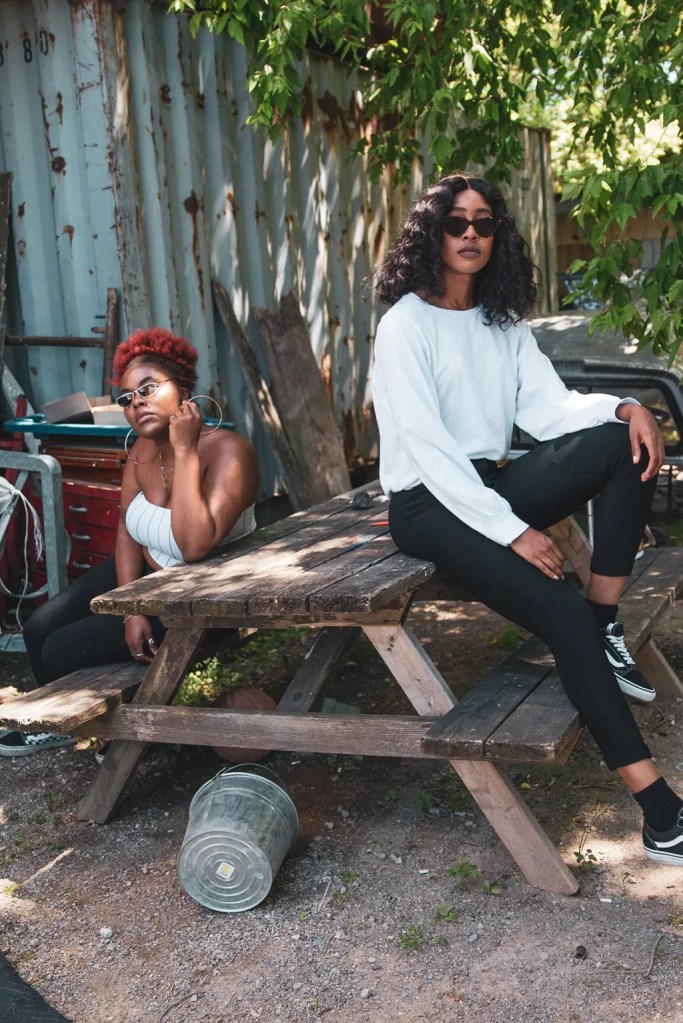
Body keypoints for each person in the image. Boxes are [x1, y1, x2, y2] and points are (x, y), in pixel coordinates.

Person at [371, 173, 683, 867]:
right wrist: (509, 530)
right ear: (431, 234)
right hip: (427, 501)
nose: (470, 235)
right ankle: (662, 815)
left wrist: (624, 407)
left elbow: (548, 409)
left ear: (497, 237)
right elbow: (428, 450)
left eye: (484, 223)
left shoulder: (501, 322)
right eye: (456, 223)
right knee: (558, 613)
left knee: (622, 445)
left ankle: (606, 621)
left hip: (489, 483)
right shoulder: (404, 326)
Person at [0, 327, 259, 757]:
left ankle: (122, 727)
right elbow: (125, 530)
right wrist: (130, 610)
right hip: (146, 574)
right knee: (38, 626)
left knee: (61, 650)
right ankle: (63, 722)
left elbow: (194, 546)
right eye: (127, 398)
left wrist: (185, 450)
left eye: (149, 389)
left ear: (184, 392)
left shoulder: (229, 452)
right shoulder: (140, 450)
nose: (136, 402)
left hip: (199, 598)